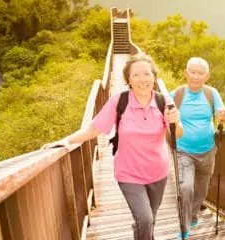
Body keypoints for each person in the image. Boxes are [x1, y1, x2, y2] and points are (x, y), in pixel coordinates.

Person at [42, 54, 183, 240]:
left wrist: (177, 122)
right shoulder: (119, 101)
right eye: (136, 75)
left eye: (147, 74)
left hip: (158, 172)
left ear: (154, 76)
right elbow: (93, 129)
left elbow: (176, 134)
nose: (143, 79)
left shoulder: (163, 102)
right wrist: (67, 141)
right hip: (129, 174)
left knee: (150, 219)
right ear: (128, 79)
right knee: (146, 219)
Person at [170, 57, 225, 239]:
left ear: (207, 76)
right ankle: (185, 226)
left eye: (200, 73)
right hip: (183, 151)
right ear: (186, 73)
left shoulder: (211, 94)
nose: (196, 76)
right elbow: (161, 116)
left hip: (208, 150)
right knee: (186, 187)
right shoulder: (176, 95)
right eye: (193, 72)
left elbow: (223, 114)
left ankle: (194, 213)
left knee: (202, 189)